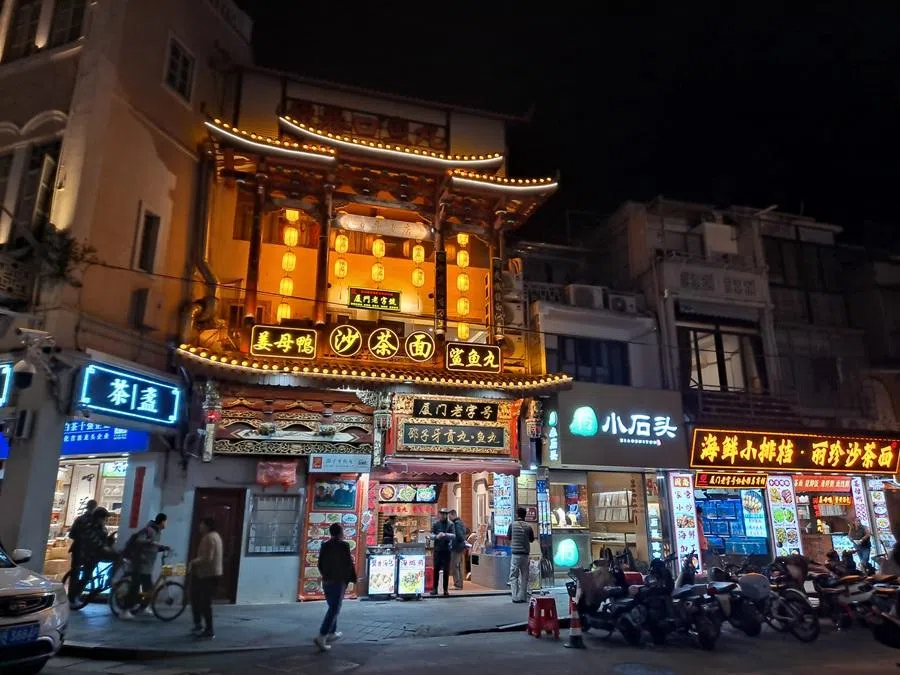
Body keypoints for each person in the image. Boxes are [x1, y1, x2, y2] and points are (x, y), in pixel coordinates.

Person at [315, 523, 357, 652]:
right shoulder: (344, 545)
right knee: (334, 608)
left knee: (332, 606)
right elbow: (348, 563)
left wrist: (325, 575)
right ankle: (322, 636)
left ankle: (331, 633)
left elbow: (319, 563)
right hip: (338, 581)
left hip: (327, 580)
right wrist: (352, 578)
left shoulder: (325, 545)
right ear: (340, 533)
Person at [121, 513, 169, 620]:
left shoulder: (158, 532)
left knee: (149, 589)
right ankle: (125, 610)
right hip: (139, 562)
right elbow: (140, 541)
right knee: (135, 587)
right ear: (162, 522)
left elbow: (152, 547)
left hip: (147, 565)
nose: (167, 524)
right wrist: (152, 542)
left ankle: (143, 607)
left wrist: (163, 548)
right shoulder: (148, 530)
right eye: (166, 521)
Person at [189, 516, 223, 639]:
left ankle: (208, 630)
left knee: (203, 602)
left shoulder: (209, 538)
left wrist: (193, 562)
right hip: (209, 574)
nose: (200, 526)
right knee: (199, 600)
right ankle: (200, 625)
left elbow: (207, 558)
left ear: (207, 526)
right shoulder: (216, 536)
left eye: (201, 524)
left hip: (207, 574)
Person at [67, 499, 97, 602]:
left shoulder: (79, 519)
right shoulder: (95, 521)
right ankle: (76, 595)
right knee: (86, 574)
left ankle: (71, 595)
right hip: (88, 551)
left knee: (75, 572)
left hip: (77, 549)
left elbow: (71, 534)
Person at [507, 507, 535, 603]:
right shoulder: (528, 526)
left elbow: (509, 537)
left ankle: (515, 596)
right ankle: (523, 596)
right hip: (525, 554)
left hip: (515, 554)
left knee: (513, 575)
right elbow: (531, 539)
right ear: (525, 515)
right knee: (524, 576)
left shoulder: (512, 525)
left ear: (516, 514)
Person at [431, 508, 455, 597]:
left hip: (446, 550)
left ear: (446, 515)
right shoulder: (435, 524)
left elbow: (453, 535)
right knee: (436, 569)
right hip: (437, 549)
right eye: (441, 514)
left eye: (444, 514)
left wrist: (445, 535)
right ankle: (435, 589)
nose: (443, 515)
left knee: (446, 570)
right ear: (439, 514)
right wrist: (437, 536)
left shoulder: (450, 524)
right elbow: (431, 535)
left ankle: (445, 590)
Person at [449, 509, 466, 590]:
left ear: (453, 515)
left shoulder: (456, 524)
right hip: (460, 547)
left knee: (455, 566)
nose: (449, 518)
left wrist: (454, 540)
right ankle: (459, 583)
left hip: (456, 548)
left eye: (449, 516)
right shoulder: (461, 522)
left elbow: (459, 535)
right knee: (458, 566)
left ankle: (457, 584)